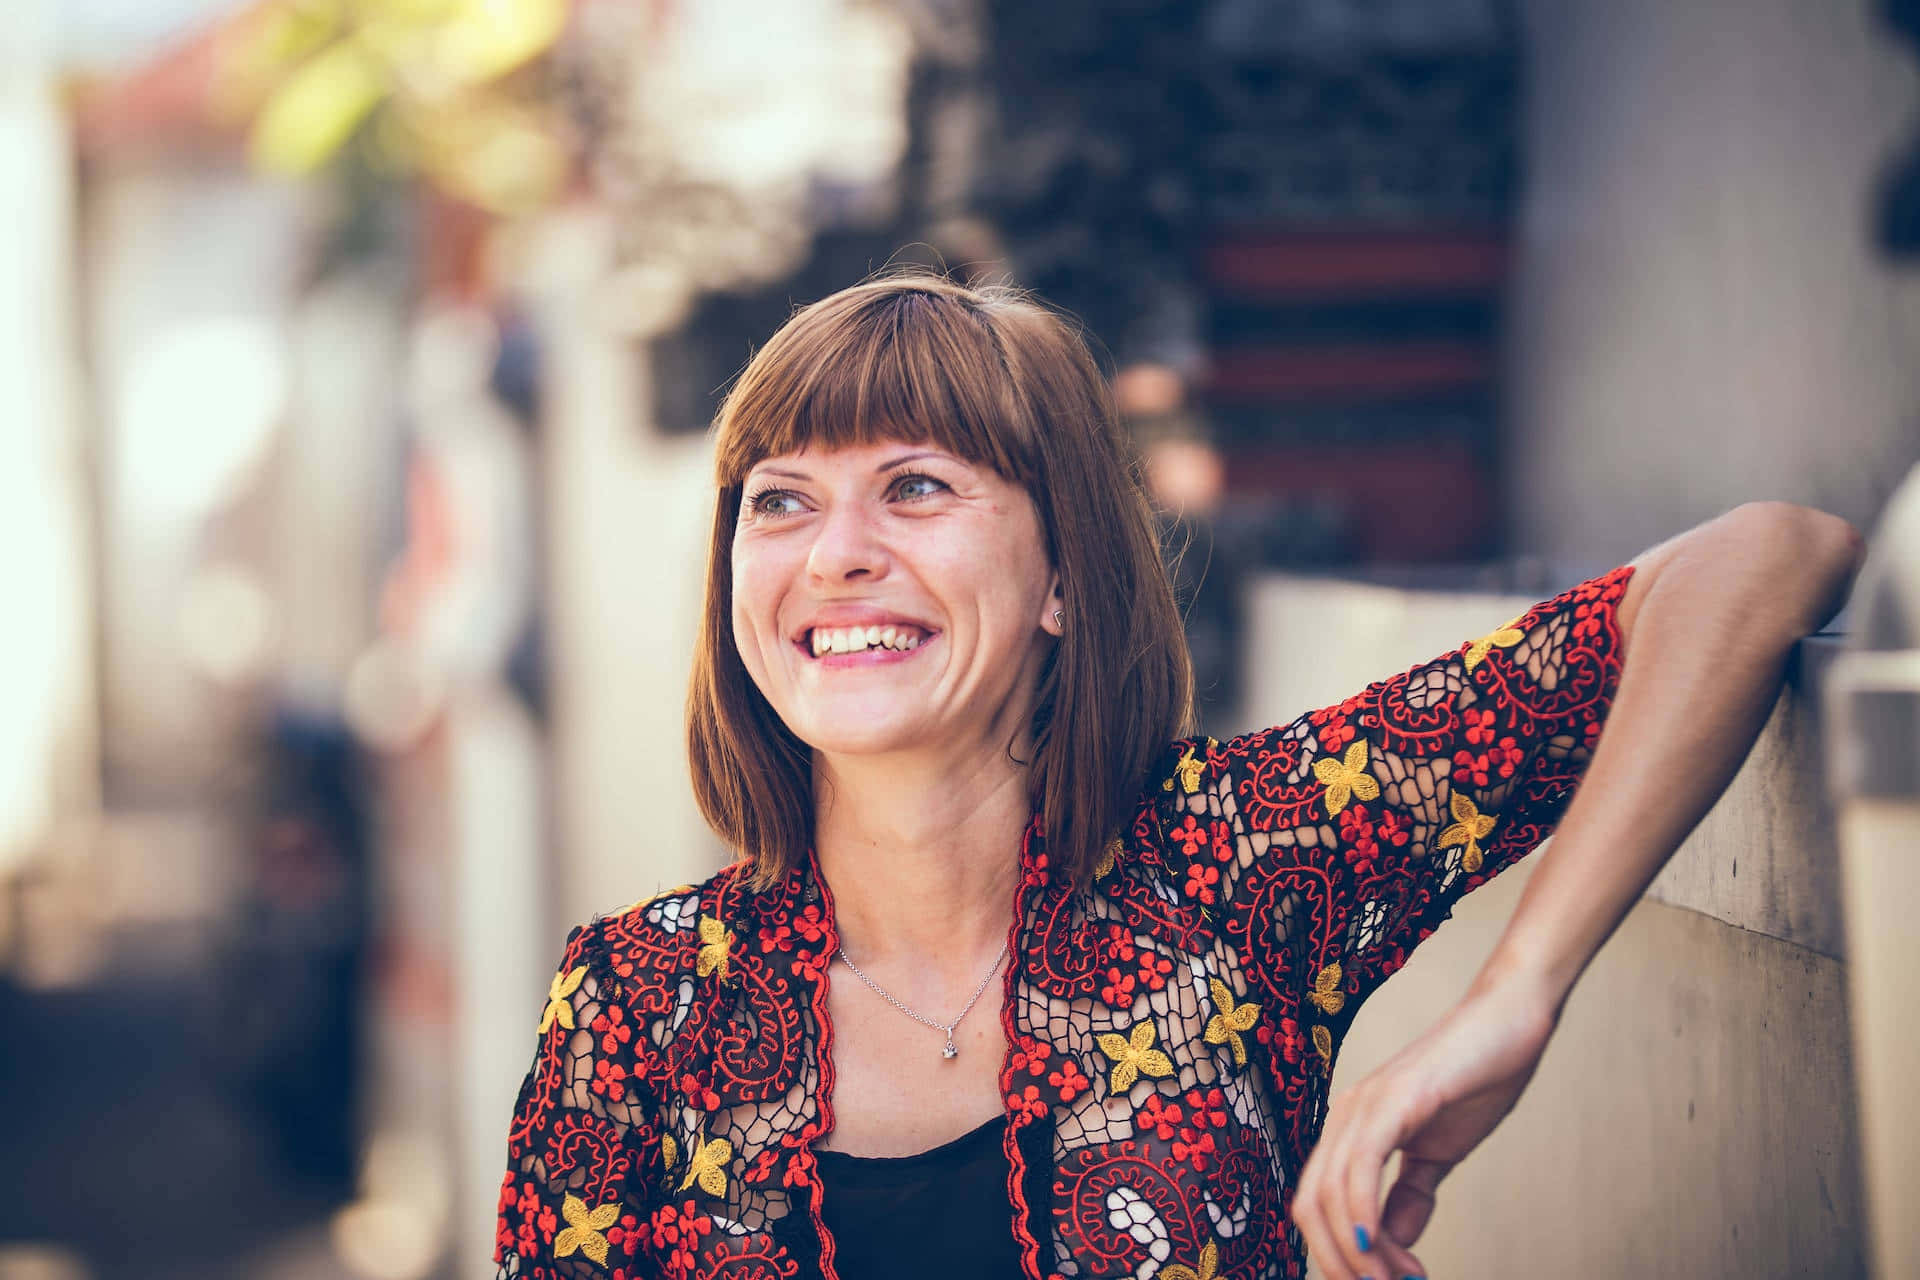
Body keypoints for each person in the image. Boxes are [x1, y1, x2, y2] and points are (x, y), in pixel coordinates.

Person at [492, 274, 1862, 1280]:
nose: (830, 552)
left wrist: (1520, 995)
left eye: (915, 487)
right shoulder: (636, 1004)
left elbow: (1765, 559)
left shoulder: (1238, 862)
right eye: (778, 499)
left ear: (1065, 579)